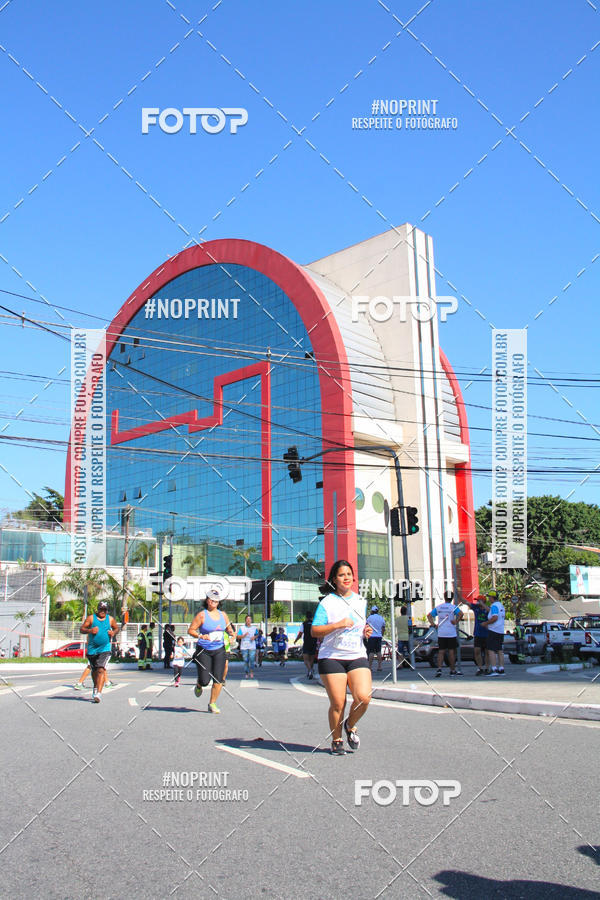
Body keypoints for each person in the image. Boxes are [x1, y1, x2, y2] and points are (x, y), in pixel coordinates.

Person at [311, 560, 373, 755]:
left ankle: (350, 724)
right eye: (341, 575)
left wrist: (366, 631)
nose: (346, 578)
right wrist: (337, 624)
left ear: (353, 577)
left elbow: (359, 627)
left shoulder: (361, 601)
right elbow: (315, 631)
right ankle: (336, 739)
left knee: (363, 697)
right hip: (332, 657)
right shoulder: (327, 603)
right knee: (338, 703)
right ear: (334, 580)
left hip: (356, 654)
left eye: (349, 574)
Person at [187, 589, 235, 713]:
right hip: (204, 650)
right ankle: (199, 684)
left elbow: (229, 629)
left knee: (218, 678)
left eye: (216, 600)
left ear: (218, 602)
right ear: (207, 600)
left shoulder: (223, 615)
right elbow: (191, 630)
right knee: (204, 681)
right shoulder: (202, 615)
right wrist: (200, 636)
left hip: (219, 649)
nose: (213, 601)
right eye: (211, 599)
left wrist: (232, 634)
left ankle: (212, 703)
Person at [79, 601, 120, 703]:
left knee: (101, 669)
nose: (103, 612)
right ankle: (95, 687)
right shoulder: (91, 618)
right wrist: (90, 631)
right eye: (101, 609)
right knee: (94, 671)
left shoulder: (110, 619)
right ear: (98, 609)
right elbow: (82, 629)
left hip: (105, 649)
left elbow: (116, 628)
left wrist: (113, 633)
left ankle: (99, 693)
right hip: (92, 649)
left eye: (105, 610)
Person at [428, 594, 463, 677]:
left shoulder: (439, 607)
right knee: (451, 652)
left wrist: (433, 624)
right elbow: (461, 614)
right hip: (451, 632)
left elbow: (429, 615)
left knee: (441, 651)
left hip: (441, 632)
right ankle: (452, 670)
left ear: (444, 597)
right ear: (452, 598)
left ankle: (439, 669)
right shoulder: (453, 607)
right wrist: (456, 621)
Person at [462, 595, 489, 675]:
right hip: (478, 633)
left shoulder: (487, 608)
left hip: (487, 633)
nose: (477, 602)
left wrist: (483, 604)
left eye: (479, 600)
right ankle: (480, 668)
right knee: (477, 651)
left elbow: (489, 611)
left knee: (487, 652)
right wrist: (459, 594)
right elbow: (465, 602)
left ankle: (487, 668)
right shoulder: (475, 607)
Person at [480, 593, 506, 676]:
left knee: (491, 649)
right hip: (500, 630)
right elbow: (490, 611)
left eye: (489, 597)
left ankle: (494, 669)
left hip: (494, 630)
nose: (488, 599)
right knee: (499, 650)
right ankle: (501, 668)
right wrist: (483, 605)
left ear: (492, 597)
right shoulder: (500, 605)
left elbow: (495, 617)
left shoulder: (494, 606)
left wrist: (486, 623)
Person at [294, 613, 317, 679]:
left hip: (307, 642)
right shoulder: (314, 623)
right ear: (312, 617)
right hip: (314, 642)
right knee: (311, 659)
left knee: (306, 659)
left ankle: (310, 670)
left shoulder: (304, 624)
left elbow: (300, 634)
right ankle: (310, 671)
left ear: (306, 617)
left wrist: (296, 640)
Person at [366, 605, 386, 671]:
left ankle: (370, 667)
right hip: (379, 636)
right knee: (378, 652)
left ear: (372, 611)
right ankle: (379, 666)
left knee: (371, 652)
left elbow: (366, 626)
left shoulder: (369, 618)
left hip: (371, 636)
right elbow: (383, 628)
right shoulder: (381, 618)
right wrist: (381, 635)